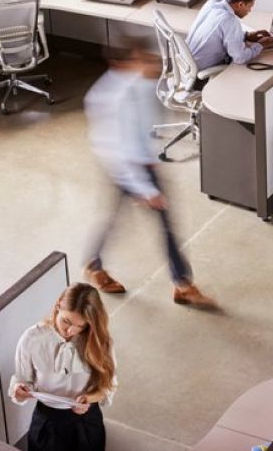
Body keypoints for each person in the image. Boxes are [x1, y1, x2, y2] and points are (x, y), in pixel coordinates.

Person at [83, 40, 218, 309]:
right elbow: (118, 151)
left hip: (141, 164)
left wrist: (151, 159)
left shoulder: (142, 85)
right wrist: (147, 190)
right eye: (143, 61)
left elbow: (144, 131)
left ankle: (94, 263)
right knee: (162, 224)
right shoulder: (110, 99)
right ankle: (182, 284)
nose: (154, 67)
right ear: (121, 65)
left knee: (118, 218)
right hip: (124, 168)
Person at [9, 283, 116, 451]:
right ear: (58, 305)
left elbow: (107, 387)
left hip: (85, 422)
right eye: (66, 321)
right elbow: (22, 379)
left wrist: (89, 398)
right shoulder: (32, 339)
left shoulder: (99, 342)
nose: (70, 331)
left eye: (79, 326)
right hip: (46, 421)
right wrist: (19, 390)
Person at [186, 0, 273, 73]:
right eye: (250, 6)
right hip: (198, 69)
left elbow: (222, 31)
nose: (250, 11)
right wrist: (261, 45)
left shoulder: (213, 2)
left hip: (186, 63)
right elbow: (240, 58)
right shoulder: (229, 20)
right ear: (241, 4)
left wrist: (246, 35)